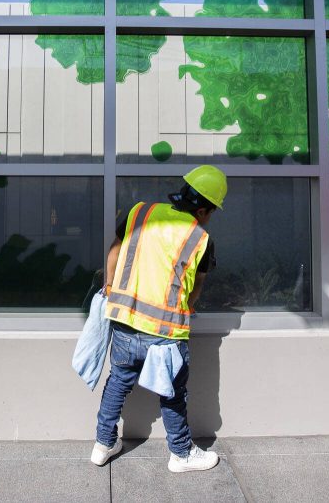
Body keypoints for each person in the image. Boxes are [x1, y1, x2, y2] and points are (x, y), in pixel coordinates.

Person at [90, 165, 227, 473]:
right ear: (203, 209)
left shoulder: (140, 212)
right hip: (165, 332)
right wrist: (185, 308)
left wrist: (111, 287)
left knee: (117, 383)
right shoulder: (200, 239)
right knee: (172, 393)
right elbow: (196, 290)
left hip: (125, 322)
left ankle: (102, 444)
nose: (209, 218)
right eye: (211, 212)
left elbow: (114, 253)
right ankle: (181, 454)